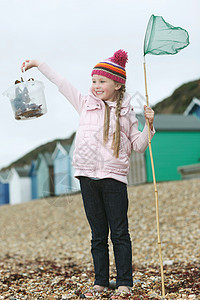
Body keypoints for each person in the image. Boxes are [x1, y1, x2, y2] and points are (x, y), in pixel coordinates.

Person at [21, 50, 155, 298]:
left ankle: (124, 282)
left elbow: (138, 145)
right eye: (93, 81)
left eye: (102, 81)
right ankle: (101, 282)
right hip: (86, 177)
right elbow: (61, 83)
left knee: (119, 233)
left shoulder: (126, 113)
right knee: (97, 235)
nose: (96, 86)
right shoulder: (84, 103)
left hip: (114, 179)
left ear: (117, 84)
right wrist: (39, 64)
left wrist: (149, 125)